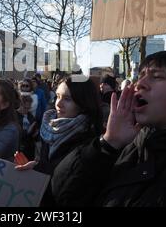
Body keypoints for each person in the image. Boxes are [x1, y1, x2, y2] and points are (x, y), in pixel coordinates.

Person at [52, 10, 166, 207]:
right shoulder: (126, 149)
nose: (141, 84)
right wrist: (107, 144)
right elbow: (63, 195)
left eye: (157, 76)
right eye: (141, 76)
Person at [15, 76, 102, 206]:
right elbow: (44, 162)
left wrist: (41, 169)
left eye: (67, 99)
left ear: (83, 103)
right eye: (58, 96)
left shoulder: (90, 141)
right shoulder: (48, 127)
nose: (58, 103)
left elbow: (73, 183)